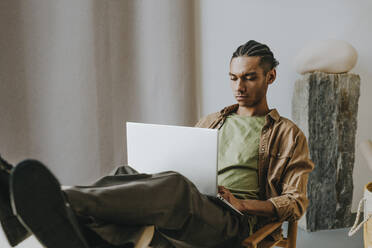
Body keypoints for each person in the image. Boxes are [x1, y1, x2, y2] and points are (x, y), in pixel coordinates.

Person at [0, 40, 314, 248]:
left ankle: (57, 200)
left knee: (174, 188)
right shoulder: (212, 120)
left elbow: (296, 201)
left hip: (234, 220)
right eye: (233, 78)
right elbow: (189, 166)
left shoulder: (288, 133)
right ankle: (81, 235)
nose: (239, 86)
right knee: (126, 171)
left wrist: (244, 204)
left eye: (249, 77)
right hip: (197, 202)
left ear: (270, 77)